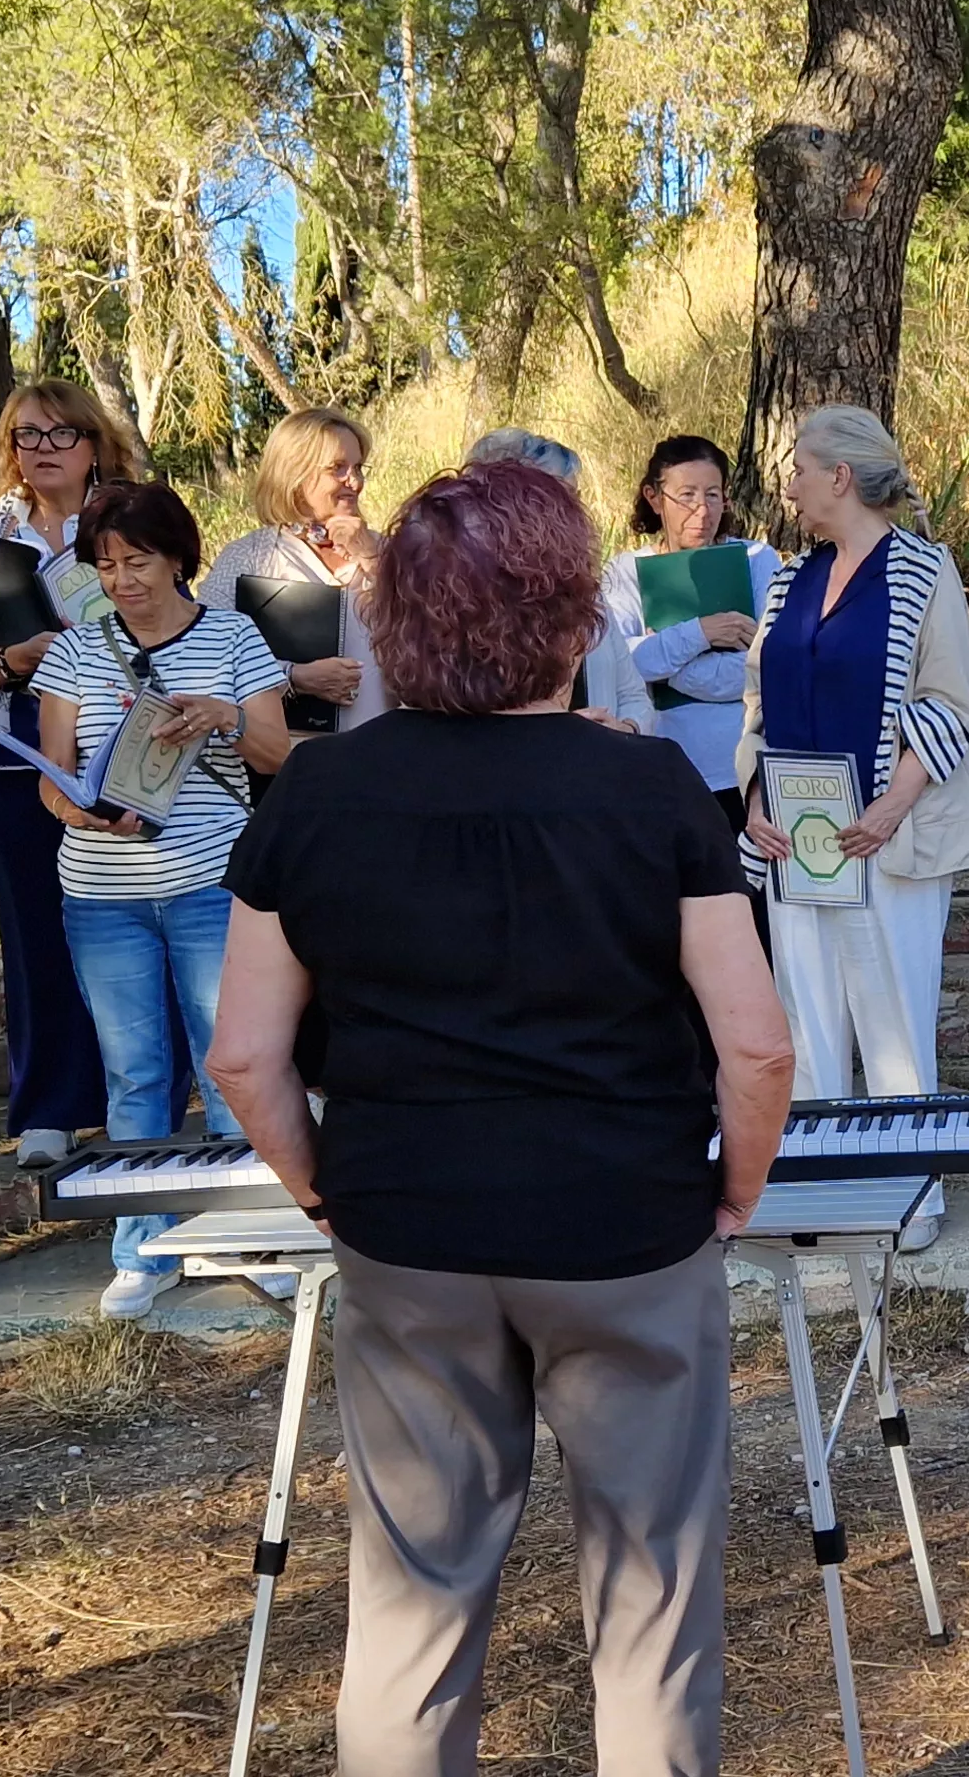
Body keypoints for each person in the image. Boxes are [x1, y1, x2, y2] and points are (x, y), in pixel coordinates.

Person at [205, 457, 792, 1777]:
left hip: (407, 1229)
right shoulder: (646, 789)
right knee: (651, 1614)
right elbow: (755, 1043)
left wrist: (319, 1190)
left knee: (411, 1614)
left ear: (398, 621)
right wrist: (735, 1193)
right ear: (570, 615)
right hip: (627, 1228)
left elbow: (245, 1056)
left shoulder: (316, 793)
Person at [32, 482, 294, 1320]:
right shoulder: (75, 651)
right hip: (102, 891)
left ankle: (249, 1232)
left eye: (136, 560)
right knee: (134, 1070)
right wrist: (76, 806)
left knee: (230, 1063)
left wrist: (220, 715)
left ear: (179, 557)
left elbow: (279, 754)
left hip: (211, 883)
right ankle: (141, 1244)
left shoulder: (234, 636)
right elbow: (52, 777)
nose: (122, 580)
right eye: (105, 565)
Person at [745, 405, 969, 1248]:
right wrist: (756, 802)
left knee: (891, 1018)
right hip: (797, 839)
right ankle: (821, 1189)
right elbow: (757, 704)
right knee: (805, 1014)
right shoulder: (788, 579)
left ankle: (909, 1192)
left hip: (889, 837)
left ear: (840, 477)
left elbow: (953, 705)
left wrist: (892, 803)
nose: (790, 484)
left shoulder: (924, 572)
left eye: (798, 469)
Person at [0, 382, 129, 1168]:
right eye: (26, 434)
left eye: (62, 433)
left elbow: (179, 615)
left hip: (124, 752)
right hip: (19, 756)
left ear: (95, 443)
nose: (42, 448)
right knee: (35, 931)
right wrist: (10, 660)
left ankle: (145, 1093)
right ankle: (50, 1107)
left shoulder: (131, 519)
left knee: (130, 927)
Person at [603, 436, 784, 834]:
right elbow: (624, 665)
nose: (702, 510)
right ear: (654, 497)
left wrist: (670, 666)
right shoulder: (625, 572)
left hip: (744, 771)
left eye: (713, 494)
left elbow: (766, 667)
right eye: (686, 495)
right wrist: (702, 632)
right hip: (665, 769)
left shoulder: (757, 561)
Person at [465, 428, 664, 730]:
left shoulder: (588, 592)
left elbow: (634, 697)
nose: (576, 513)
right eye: (560, 499)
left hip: (600, 766)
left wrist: (624, 729)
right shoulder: (470, 599)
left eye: (575, 497)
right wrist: (562, 733)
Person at [201, 407, 375, 743]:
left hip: (384, 758)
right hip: (291, 765)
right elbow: (206, 652)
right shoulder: (250, 557)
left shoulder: (391, 551)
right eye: (337, 469)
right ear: (295, 474)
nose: (354, 482)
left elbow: (435, 639)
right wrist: (293, 677)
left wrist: (372, 556)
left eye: (358, 468)